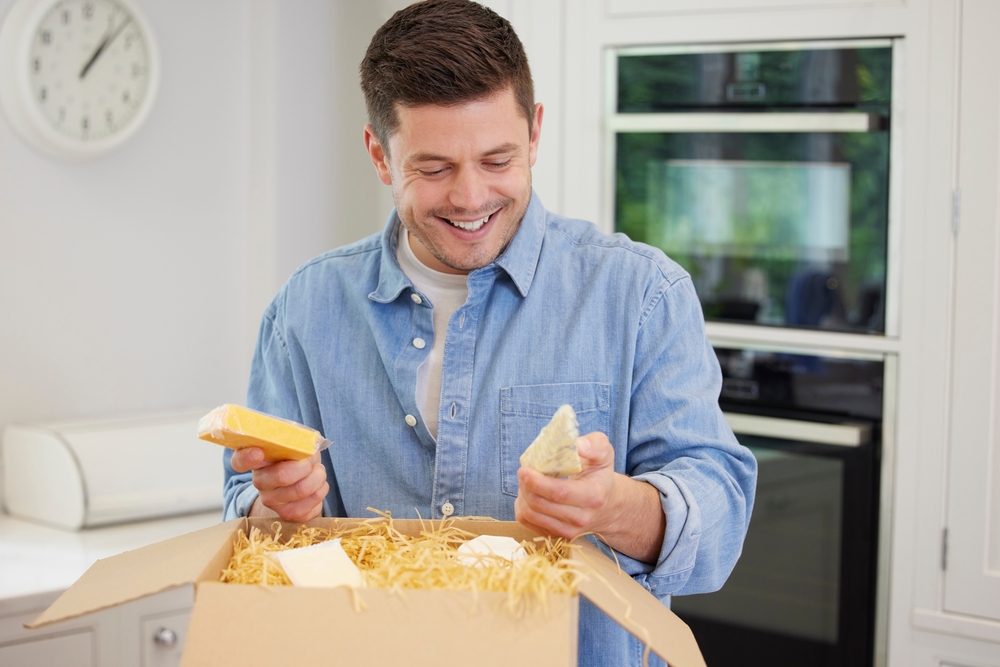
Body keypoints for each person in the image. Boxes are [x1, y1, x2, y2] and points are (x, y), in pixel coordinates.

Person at [223, 1, 757, 664]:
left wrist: (611, 504)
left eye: (498, 159)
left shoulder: (640, 296)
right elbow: (250, 531)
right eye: (435, 168)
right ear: (379, 154)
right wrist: (276, 508)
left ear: (534, 133)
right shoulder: (304, 311)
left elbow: (720, 527)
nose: (471, 198)